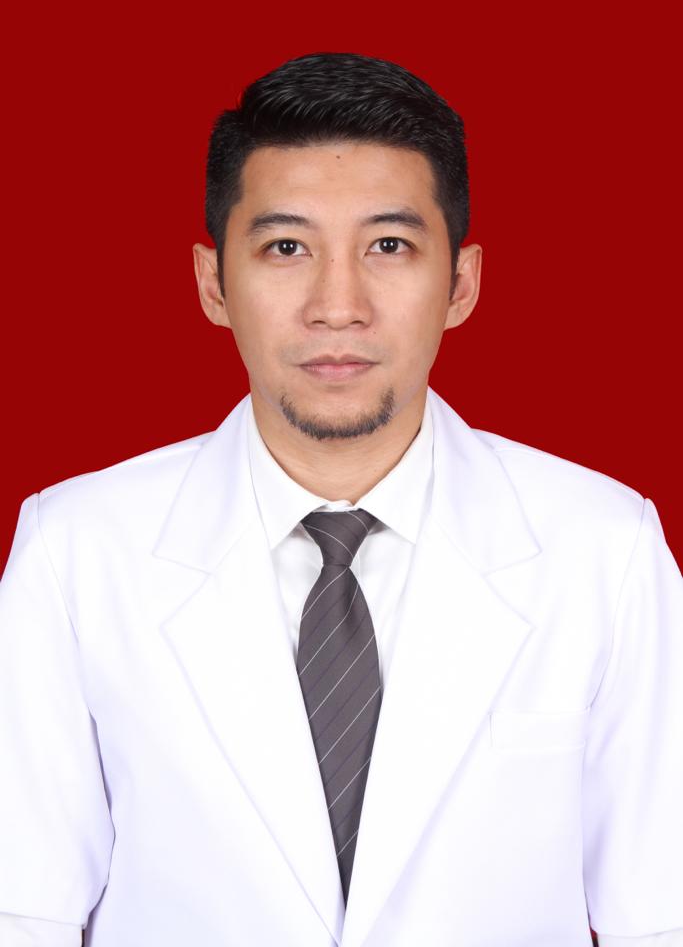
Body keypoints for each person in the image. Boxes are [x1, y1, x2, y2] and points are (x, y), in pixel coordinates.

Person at [0, 52, 682, 947]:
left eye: (387, 246)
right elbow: (24, 909)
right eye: (286, 248)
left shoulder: (604, 548)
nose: (337, 305)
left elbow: (661, 913)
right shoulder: (75, 550)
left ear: (461, 283)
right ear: (213, 283)